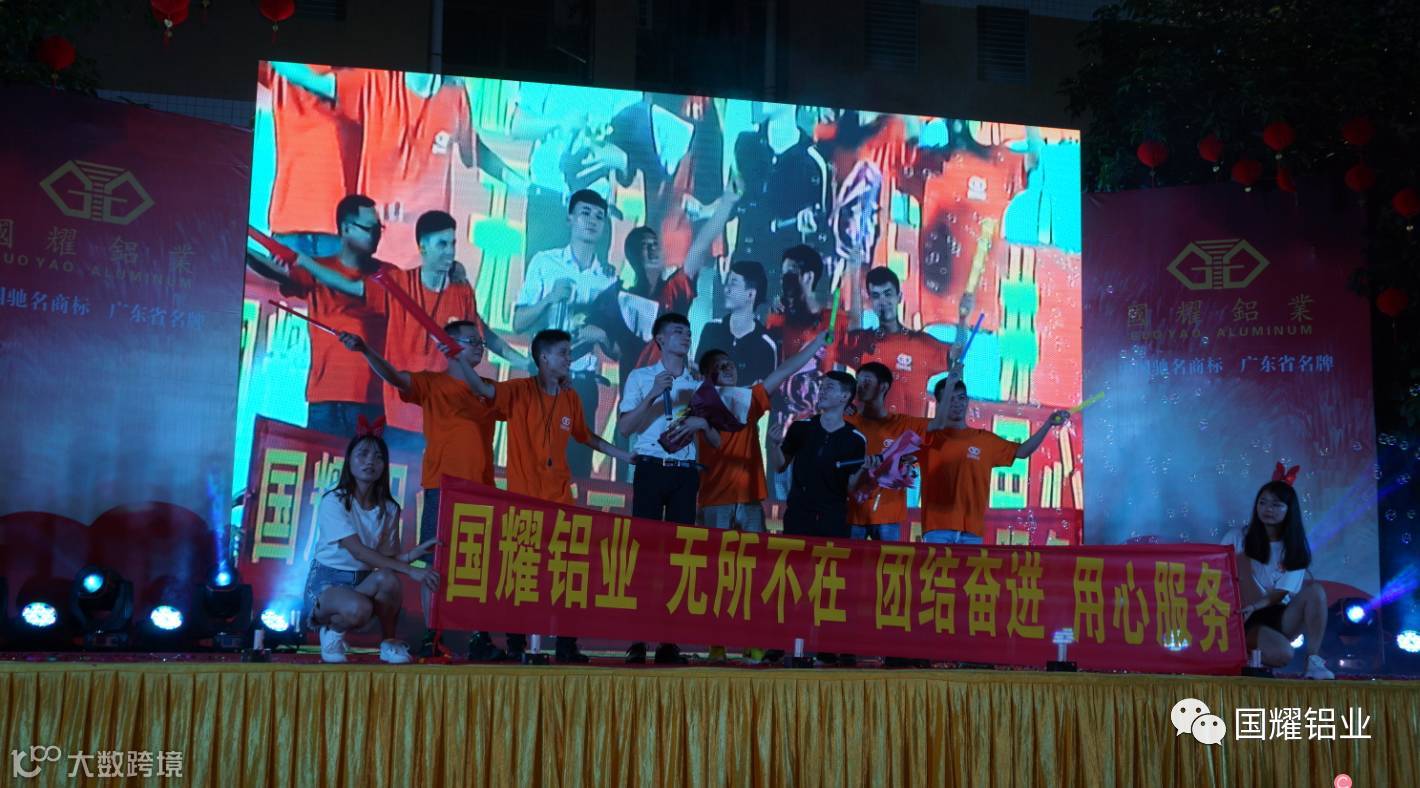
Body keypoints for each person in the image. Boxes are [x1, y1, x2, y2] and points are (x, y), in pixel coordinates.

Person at [446, 328, 634, 663]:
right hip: (524, 502)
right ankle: (517, 646)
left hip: (560, 501)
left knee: (566, 575)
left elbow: (586, 436)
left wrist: (624, 456)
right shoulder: (518, 391)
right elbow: (483, 390)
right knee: (522, 575)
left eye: (569, 353)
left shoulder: (570, 397)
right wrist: (460, 360)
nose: (569, 359)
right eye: (563, 353)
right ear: (543, 357)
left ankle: (566, 646)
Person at [340, 320, 511, 662]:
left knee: (482, 566)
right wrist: (365, 350)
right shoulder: (432, 384)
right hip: (443, 488)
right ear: (450, 346)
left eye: (481, 342)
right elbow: (395, 377)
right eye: (472, 341)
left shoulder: (488, 389)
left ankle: (480, 637)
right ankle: (434, 634)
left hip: (482, 491)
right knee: (436, 562)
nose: (480, 347)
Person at [696, 331, 830, 664]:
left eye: (730, 365)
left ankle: (754, 644)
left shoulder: (750, 399)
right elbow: (711, 442)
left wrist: (815, 345)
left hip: (749, 501)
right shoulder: (700, 405)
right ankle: (716, 646)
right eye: (720, 366)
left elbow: (783, 371)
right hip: (714, 501)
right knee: (717, 577)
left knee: (755, 575)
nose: (729, 369)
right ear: (707, 376)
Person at [246, 194, 395, 438]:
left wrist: (303, 262)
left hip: (371, 401)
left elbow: (351, 286)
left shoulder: (390, 275)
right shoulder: (318, 267)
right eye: (370, 229)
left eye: (379, 229)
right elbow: (273, 270)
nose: (376, 235)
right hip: (324, 399)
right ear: (346, 229)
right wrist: (237, 241)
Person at [616, 313, 719, 665]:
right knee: (644, 555)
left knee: (679, 557)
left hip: (685, 474)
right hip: (650, 468)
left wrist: (702, 422)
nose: (686, 337)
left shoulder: (698, 382)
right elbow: (625, 428)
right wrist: (652, 395)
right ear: (659, 339)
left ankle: (668, 641)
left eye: (688, 332)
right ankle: (637, 639)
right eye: (677, 332)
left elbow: (716, 438)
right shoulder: (641, 377)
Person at [381, 210, 529, 454]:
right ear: (423, 247)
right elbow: (356, 288)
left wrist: (523, 361)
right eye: (442, 244)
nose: (450, 251)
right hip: (401, 417)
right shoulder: (397, 283)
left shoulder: (461, 290)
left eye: (453, 243)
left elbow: (483, 334)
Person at [304, 429, 439, 664]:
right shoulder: (334, 501)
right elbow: (358, 551)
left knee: (389, 579)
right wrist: (411, 571)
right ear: (349, 460)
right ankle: (333, 632)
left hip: (362, 581)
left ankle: (389, 643)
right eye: (363, 454)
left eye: (378, 457)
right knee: (359, 608)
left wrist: (412, 555)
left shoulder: (389, 508)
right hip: (327, 583)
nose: (370, 462)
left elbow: (385, 558)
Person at [513, 189, 621, 479]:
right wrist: (548, 299)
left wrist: (601, 336)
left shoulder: (609, 278)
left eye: (599, 216)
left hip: (583, 386)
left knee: (576, 474)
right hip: (545, 381)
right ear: (570, 218)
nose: (592, 221)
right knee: (535, 468)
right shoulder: (545, 262)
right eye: (585, 213)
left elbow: (616, 350)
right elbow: (518, 322)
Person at [768, 370, 867, 667]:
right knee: (791, 580)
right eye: (821, 386)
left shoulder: (855, 439)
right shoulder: (801, 428)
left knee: (829, 583)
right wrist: (773, 444)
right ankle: (780, 643)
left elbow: (851, 487)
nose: (822, 391)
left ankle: (826, 646)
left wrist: (865, 470)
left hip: (833, 518)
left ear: (845, 396)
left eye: (830, 388)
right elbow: (780, 466)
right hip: (799, 514)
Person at [918, 376, 1068, 544]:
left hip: (971, 532)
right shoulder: (927, 438)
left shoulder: (984, 440)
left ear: (967, 401)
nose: (957, 403)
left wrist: (1048, 424)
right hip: (937, 528)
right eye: (950, 399)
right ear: (940, 404)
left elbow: (1022, 451)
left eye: (961, 397)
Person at [1224, 477, 1333, 679]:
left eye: (1276, 504)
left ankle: (1313, 661)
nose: (1268, 509)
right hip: (1242, 616)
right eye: (1263, 502)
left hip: (1276, 612)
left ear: (1289, 510)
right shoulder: (1237, 537)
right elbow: (1218, 574)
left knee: (1316, 591)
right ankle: (1243, 654)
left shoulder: (1294, 546)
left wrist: (1256, 606)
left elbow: (1280, 593)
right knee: (1283, 654)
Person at [841, 265, 973, 417]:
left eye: (888, 294)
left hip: (907, 431)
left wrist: (963, 319)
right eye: (876, 296)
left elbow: (957, 353)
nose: (883, 301)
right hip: (867, 430)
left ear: (899, 297)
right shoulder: (862, 342)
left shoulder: (920, 344)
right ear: (871, 301)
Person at [846, 362, 934, 543]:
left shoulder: (903, 423)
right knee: (848, 561)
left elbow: (939, 425)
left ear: (883, 387)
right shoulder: (845, 421)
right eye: (858, 381)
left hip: (888, 516)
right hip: (852, 514)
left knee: (888, 561)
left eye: (867, 381)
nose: (860, 386)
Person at [695, 259, 779, 387]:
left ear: (750, 294)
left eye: (733, 284)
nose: (726, 290)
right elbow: (697, 377)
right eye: (727, 283)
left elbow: (766, 394)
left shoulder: (765, 346)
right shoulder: (711, 330)